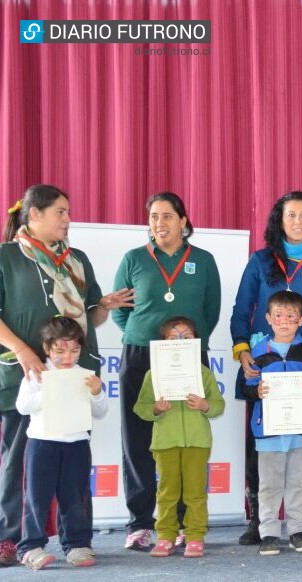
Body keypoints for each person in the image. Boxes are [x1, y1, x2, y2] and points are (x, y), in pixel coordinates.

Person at [0, 185, 131, 566]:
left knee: (74, 463)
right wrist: (23, 350)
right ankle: (12, 539)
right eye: (60, 212)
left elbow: (91, 317)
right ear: (34, 214)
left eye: (68, 212)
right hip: (25, 377)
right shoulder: (7, 257)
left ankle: (77, 540)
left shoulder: (78, 260)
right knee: (17, 462)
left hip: (75, 378)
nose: (67, 220)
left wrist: (103, 306)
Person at [113, 192, 221, 551]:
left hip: (188, 356)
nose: (160, 223)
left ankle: (176, 524)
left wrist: (186, 343)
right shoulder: (134, 259)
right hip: (142, 355)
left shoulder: (203, 261)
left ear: (183, 222)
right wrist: (141, 334)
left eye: (167, 216)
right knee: (139, 437)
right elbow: (120, 310)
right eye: (154, 217)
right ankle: (142, 523)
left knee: (181, 438)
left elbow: (211, 310)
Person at [230, 191, 302, 545]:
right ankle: (258, 523)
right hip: (264, 367)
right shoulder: (261, 261)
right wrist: (243, 349)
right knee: (259, 445)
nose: (297, 222)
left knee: (301, 446)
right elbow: (241, 308)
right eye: (290, 215)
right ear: (280, 220)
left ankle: (300, 524)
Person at [15, 317, 108, 570]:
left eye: (74, 350)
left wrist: (97, 392)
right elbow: (22, 406)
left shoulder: (86, 375)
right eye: (60, 350)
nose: (67, 357)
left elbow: (100, 411)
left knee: (75, 497)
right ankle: (31, 547)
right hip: (42, 443)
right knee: (36, 497)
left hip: (76, 443)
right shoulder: (36, 373)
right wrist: (48, 389)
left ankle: (77, 544)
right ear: (47, 349)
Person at [133, 316, 225, 559]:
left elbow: (218, 406)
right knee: (167, 492)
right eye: (173, 338)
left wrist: (205, 405)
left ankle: (195, 536)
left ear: (196, 342)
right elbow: (140, 408)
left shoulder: (203, 373)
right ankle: (166, 536)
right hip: (165, 442)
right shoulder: (154, 375)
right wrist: (155, 409)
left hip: (197, 441)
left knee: (195, 492)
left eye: (187, 337)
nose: (180, 341)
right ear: (163, 343)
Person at [243, 291, 302, 556]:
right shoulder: (257, 353)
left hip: (300, 432)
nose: (284, 321)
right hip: (268, 433)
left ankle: (297, 530)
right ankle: (268, 532)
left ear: (301, 320)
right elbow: (245, 388)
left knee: (298, 482)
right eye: (278, 316)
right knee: (269, 484)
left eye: (291, 316)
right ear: (268, 318)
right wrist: (256, 392)